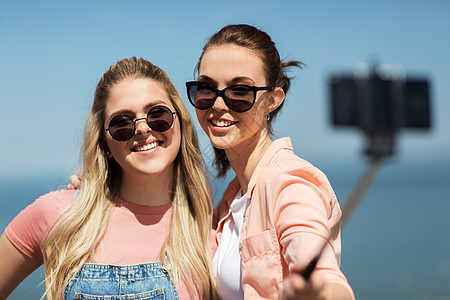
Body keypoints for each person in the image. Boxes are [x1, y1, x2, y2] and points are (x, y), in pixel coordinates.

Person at [0, 57, 217, 299]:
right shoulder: (60, 214)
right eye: (122, 123)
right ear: (104, 143)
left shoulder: (211, 233)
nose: (143, 129)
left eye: (157, 114)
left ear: (181, 122)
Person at [185, 24, 355, 299]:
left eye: (240, 91)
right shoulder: (229, 203)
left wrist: (321, 292)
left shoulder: (291, 182)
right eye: (206, 87)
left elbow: (323, 273)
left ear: (273, 100)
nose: (218, 104)